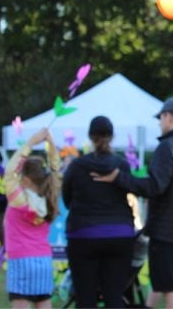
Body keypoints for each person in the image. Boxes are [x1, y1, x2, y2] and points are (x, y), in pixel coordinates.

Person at [93, 96, 173, 309]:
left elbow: (154, 186)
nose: (160, 122)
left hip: (167, 232)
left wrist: (118, 178)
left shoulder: (167, 147)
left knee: (172, 289)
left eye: (161, 118)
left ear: (168, 117)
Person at [62, 116, 137, 309]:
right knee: (114, 297)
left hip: (83, 235)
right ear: (111, 137)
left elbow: (66, 198)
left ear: (90, 137)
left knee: (85, 297)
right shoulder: (121, 165)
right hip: (119, 235)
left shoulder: (77, 166)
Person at [4, 128, 60, 309]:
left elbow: (10, 172)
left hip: (21, 262)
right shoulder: (50, 197)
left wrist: (30, 143)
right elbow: (55, 169)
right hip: (43, 262)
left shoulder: (19, 200)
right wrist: (51, 144)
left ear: (26, 179)